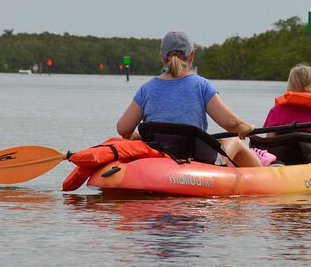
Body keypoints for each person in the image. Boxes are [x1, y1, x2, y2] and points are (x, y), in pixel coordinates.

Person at [117, 31, 272, 167]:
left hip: (158, 158)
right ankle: (263, 176)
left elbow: (123, 128)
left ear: (162, 58)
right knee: (232, 140)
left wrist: (136, 137)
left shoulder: (147, 88)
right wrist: (246, 127)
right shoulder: (201, 85)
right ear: (191, 55)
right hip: (195, 159)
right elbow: (231, 122)